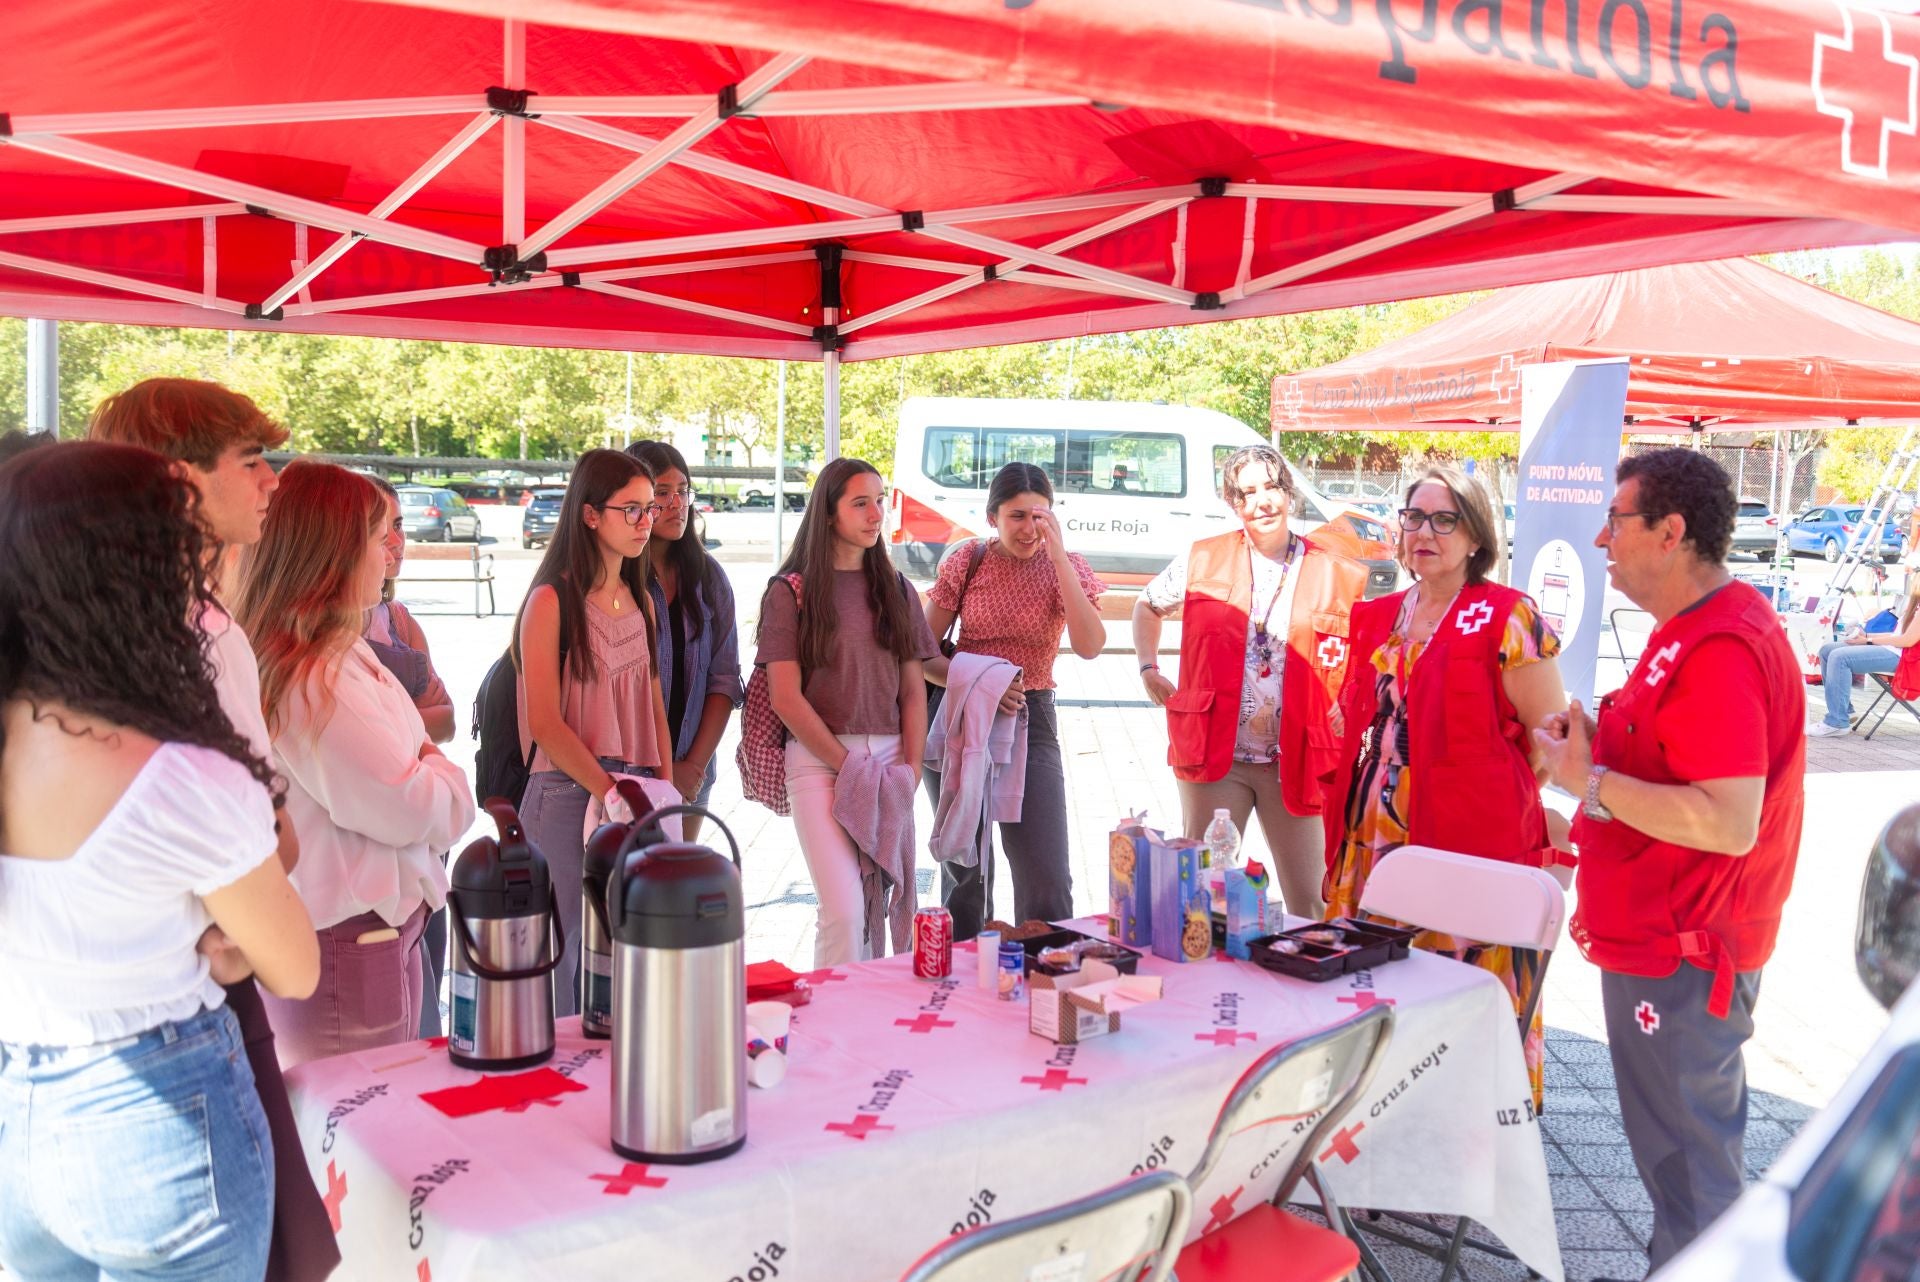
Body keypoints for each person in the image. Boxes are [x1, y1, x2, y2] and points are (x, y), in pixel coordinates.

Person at [0, 441, 320, 1282]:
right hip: (158, 1112)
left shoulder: (16, 733)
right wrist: (229, 941)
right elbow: (295, 966)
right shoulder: (178, 774)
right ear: (138, 570)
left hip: (17, 1109)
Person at [88, 377, 339, 1282]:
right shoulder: (198, 632)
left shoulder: (88, 631)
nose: (274, 481)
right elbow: (264, 835)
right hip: (186, 1012)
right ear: (180, 480)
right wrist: (240, 929)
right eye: (252, 461)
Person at [1535, 448, 1804, 1270]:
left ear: (1671, 532)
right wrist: (1596, 764)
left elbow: (1728, 822)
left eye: (1615, 522)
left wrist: (1591, 780)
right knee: (1678, 1158)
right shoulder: (1691, 631)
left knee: (1690, 1165)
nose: (1599, 539)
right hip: (1669, 943)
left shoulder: (1720, 645)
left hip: (1689, 956)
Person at [1323, 466, 1569, 1108]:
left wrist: (1493, 795)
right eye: (1414, 517)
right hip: (1373, 833)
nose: (1424, 532)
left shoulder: (1507, 616)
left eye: (1444, 519)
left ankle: (1474, 1120)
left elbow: (1550, 741)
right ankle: (1380, 1112)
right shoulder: (1380, 615)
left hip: (1468, 837)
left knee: (1465, 978)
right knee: (1375, 978)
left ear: (1476, 535)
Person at [237, 461, 474, 1065]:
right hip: (348, 944)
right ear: (333, 554)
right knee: (359, 1137)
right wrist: (437, 771)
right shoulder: (311, 675)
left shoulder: (336, 651)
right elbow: (412, 803)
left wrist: (428, 763)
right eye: (377, 537)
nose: (389, 552)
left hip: (376, 933)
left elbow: (422, 755)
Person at [1131, 443, 1368, 916]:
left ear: (1288, 493)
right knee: (1197, 898)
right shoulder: (1202, 559)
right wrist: (1148, 667)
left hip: (1299, 760)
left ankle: (1303, 986)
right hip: (1218, 755)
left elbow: (1359, 658)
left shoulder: (1338, 573)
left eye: (1271, 487)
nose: (1262, 502)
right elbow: (1147, 605)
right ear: (1232, 503)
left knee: (1310, 906)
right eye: (1247, 493)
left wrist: (1353, 706)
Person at [756, 457, 938, 965]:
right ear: (828, 513)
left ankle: (867, 1027)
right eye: (860, 503)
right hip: (817, 761)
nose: (875, 513)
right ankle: (825, 1030)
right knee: (842, 909)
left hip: (889, 762)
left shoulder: (897, 589)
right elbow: (786, 698)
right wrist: (845, 765)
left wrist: (911, 772)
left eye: (879, 501)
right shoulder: (789, 591)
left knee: (879, 906)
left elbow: (912, 691)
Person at [514, 448, 674, 1016]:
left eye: (649, 510)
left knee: (630, 960)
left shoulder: (642, 604)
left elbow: (657, 711)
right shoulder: (550, 600)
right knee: (560, 968)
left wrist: (664, 793)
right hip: (563, 792)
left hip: (633, 793)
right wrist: (608, 789)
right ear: (589, 515)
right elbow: (544, 722)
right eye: (629, 509)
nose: (644, 522)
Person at [922, 461, 1106, 937]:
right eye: (1016, 516)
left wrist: (1060, 557)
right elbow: (917, 652)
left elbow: (1090, 646)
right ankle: (962, 987)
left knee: (1046, 873)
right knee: (967, 873)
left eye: (1039, 516)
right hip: (962, 717)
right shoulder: (968, 561)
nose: (1029, 529)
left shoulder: (1068, 565)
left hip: (1033, 715)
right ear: (992, 518)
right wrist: (986, 680)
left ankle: (1044, 978)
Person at [364, 476, 458, 1038]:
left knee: (427, 978)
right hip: (374, 850)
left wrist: (393, 730)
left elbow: (445, 718)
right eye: (382, 530)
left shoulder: (398, 621)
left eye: (399, 525)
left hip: (425, 839)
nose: (397, 542)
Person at [626, 441, 743, 841]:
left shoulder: (708, 578)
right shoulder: (612, 579)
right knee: (623, 897)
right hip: (624, 777)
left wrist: (693, 764)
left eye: (684, 491)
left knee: (676, 890)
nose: (678, 503)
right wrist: (661, 770)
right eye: (662, 492)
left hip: (693, 773)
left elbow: (725, 680)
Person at [1809, 582, 1920, 736]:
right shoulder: (1915, 606)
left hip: (1905, 659)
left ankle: (1837, 721)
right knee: (1828, 650)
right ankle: (1845, 711)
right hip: (1895, 651)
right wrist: (1866, 636)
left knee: (1840, 657)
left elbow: (1907, 641)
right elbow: (1897, 636)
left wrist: (1869, 640)